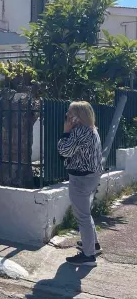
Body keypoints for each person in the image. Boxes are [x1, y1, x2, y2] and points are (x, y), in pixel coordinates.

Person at [58, 101, 103, 267]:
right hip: (92, 176)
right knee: (86, 213)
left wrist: (65, 131)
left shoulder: (79, 132)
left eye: (70, 113)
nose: (67, 116)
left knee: (82, 216)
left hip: (80, 179)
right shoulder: (92, 129)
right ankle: (93, 244)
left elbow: (64, 152)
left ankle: (88, 255)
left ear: (79, 116)